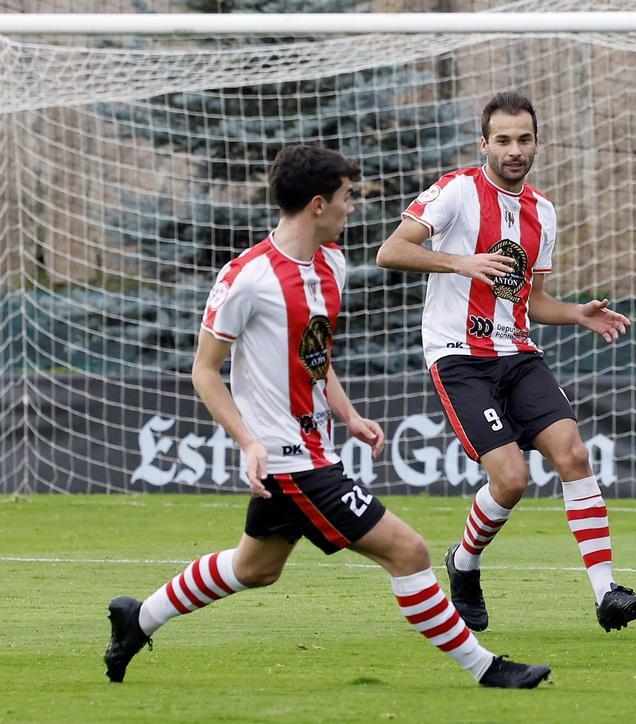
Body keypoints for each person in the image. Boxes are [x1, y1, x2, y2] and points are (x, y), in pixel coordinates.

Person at [103, 145, 549, 689]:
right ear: (318, 203)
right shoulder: (248, 277)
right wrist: (247, 441)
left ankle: (138, 617)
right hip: (290, 460)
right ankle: (486, 668)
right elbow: (204, 370)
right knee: (408, 551)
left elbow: (314, 357)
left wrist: (350, 415)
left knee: (255, 569)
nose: (352, 207)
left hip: (314, 448)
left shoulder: (331, 263)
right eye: (347, 196)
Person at [375, 92, 636, 634]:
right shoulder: (456, 192)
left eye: (524, 139)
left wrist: (578, 314)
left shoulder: (542, 211)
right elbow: (390, 251)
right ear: (484, 144)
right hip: (459, 358)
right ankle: (463, 562)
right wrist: (461, 262)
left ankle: (606, 594)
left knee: (573, 454)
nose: (514, 149)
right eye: (502, 140)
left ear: (537, 143)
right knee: (511, 479)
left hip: (518, 353)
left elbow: (531, 301)